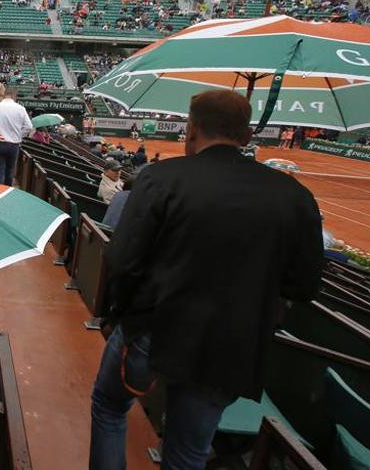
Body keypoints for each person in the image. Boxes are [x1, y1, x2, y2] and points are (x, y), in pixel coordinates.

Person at [89, 90, 323, 470]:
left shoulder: (161, 177)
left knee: (110, 407)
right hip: (230, 344)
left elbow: (121, 259)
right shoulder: (294, 195)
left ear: (191, 128)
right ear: (247, 136)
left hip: (152, 329)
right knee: (188, 452)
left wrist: (122, 315)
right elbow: (303, 286)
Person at [0, 87, 33, 186]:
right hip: (13, 145)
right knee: (10, 170)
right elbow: (29, 127)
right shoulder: (21, 108)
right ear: (14, 95)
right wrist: (19, 135)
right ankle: (7, 191)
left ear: (4, 94)